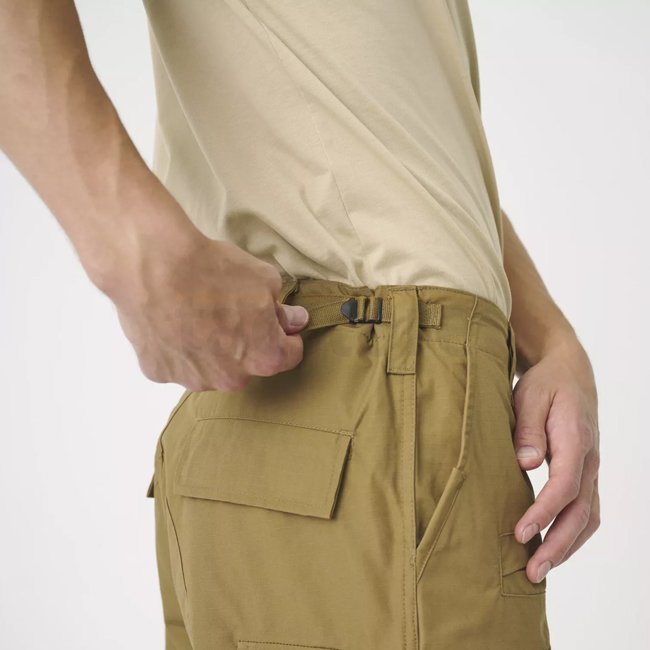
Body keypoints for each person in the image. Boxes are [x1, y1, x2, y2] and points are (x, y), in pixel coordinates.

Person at [0, 1, 600, 648]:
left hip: (365, 400)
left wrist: (549, 340)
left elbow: (401, 150)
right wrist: (133, 251)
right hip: (370, 397)